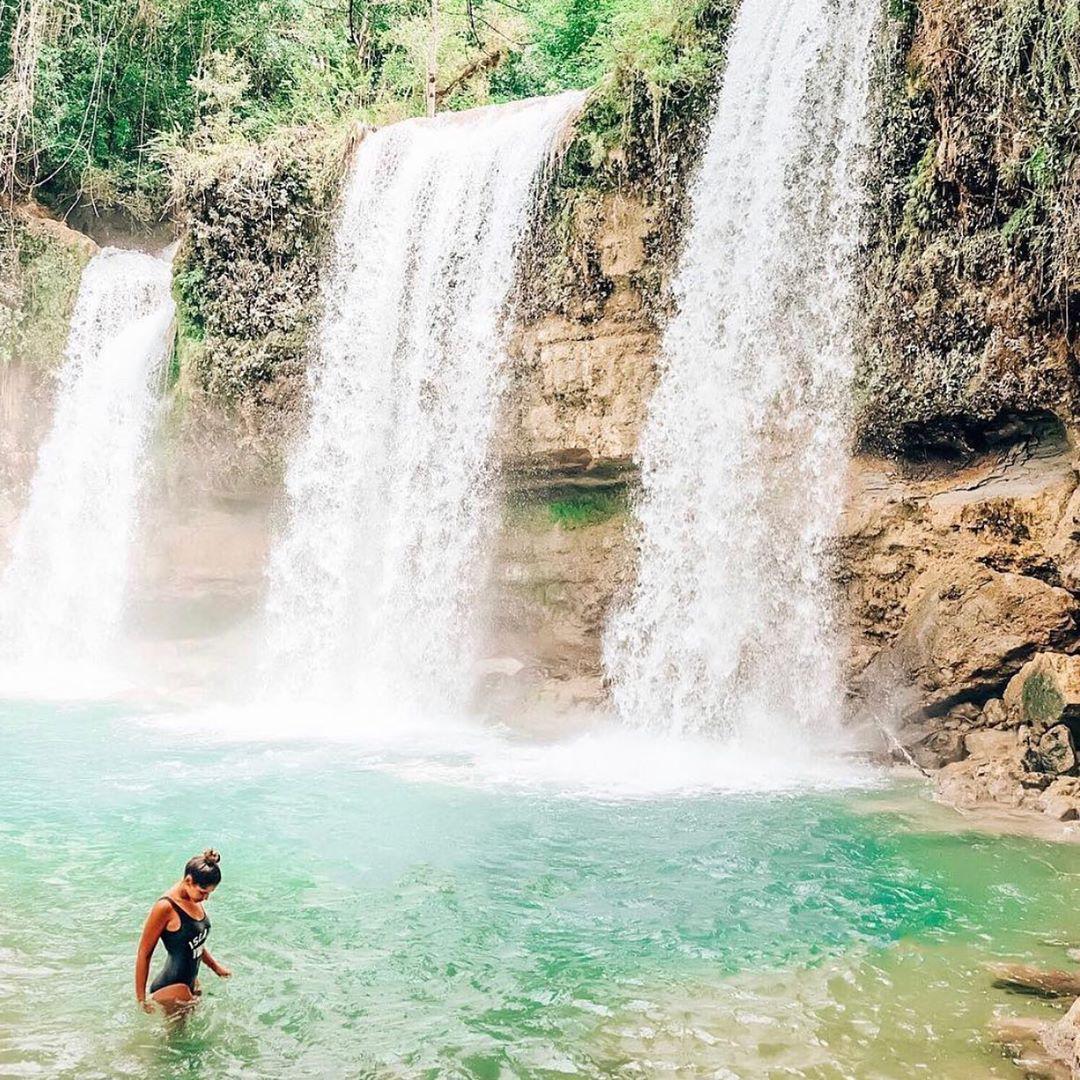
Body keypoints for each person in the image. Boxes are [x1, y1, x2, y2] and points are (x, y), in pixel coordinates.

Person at [135, 849, 231, 1011]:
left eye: (209, 893)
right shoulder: (165, 907)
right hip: (171, 988)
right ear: (188, 880)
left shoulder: (192, 896)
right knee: (176, 1036)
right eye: (203, 892)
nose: (206, 898)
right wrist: (141, 1000)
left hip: (189, 983)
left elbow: (193, 942)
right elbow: (144, 954)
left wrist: (216, 968)